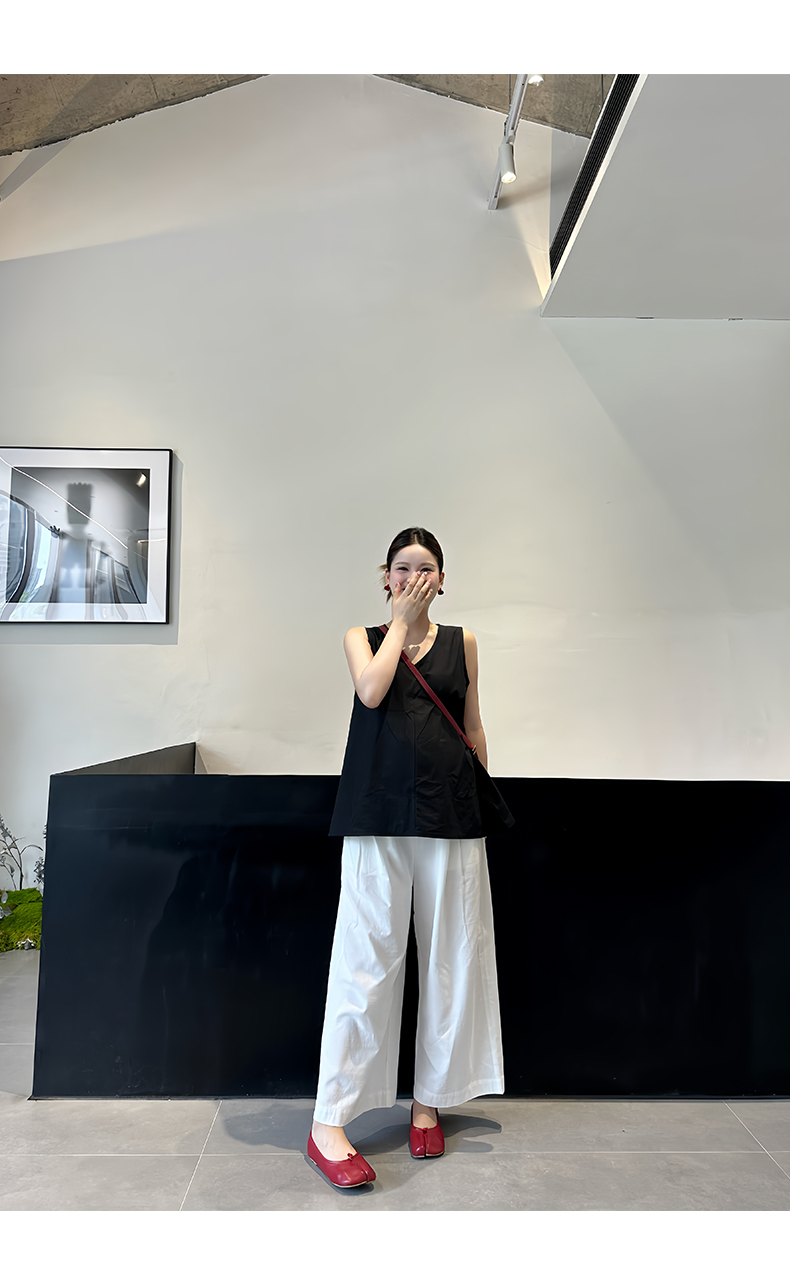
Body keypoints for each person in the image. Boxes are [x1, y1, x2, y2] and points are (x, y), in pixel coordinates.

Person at [307, 527, 505, 1189]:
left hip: (452, 812)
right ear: (385, 576)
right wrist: (399, 622)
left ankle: (429, 1101)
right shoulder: (361, 636)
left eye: (426, 568)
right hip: (377, 813)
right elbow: (371, 691)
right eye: (402, 568)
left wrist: (483, 795)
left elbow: (472, 725)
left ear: (443, 580)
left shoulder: (463, 642)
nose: (414, 577)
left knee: (453, 957)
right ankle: (329, 1121)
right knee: (366, 959)